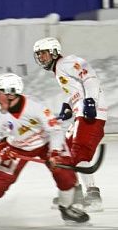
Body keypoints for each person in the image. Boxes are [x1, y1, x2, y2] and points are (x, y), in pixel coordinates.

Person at [0, 73, 89, 226]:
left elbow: (55, 130)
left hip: (46, 143)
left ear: (10, 94)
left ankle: (66, 208)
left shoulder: (35, 106)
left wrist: (55, 152)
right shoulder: (0, 115)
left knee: (65, 173)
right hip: (17, 147)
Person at [33, 37, 108, 212]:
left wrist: (90, 101)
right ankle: (76, 193)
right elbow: (77, 89)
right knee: (65, 150)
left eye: (43, 53)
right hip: (81, 112)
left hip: (91, 112)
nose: (41, 58)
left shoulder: (67, 62)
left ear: (53, 51)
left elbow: (90, 78)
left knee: (79, 152)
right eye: (38, 55)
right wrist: (69, 105)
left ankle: (92, 195)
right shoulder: (59, 69)